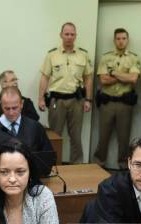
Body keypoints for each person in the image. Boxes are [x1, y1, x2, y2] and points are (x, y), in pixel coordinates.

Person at [38, 22, 93, 164]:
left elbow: (88, 78)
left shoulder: (83, 55)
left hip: (76, 101)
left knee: (76, 136)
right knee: (55, 135)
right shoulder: (52, 55)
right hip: (57, 101)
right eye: (66, 34)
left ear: (76, 36)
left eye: (72, 34)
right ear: (61, 35)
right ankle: (53, 165)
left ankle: (77, 165)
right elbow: (45, 77)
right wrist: (41, 99)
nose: (69, 37)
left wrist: (88, 99)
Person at [0, 87, 53, 170]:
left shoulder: (35, 127)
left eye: (15, 108)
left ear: (22, 104)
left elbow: (48, 156)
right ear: (1, 105)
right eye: (7, 108)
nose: (11, 113)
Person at [94, 28, 141, 168]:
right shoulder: (106, 57)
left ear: (127, 40)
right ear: (114, 40)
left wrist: (113, 73)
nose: (121, 41)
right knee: (103, 137)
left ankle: (123, 166)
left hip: (124, 104)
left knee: (124, 138)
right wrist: (123, 77)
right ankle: (98, 164)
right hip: (107, 102)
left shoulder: (133, 58)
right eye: (118, 38)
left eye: (123, 38)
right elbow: (103, 80)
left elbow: (133, 79)